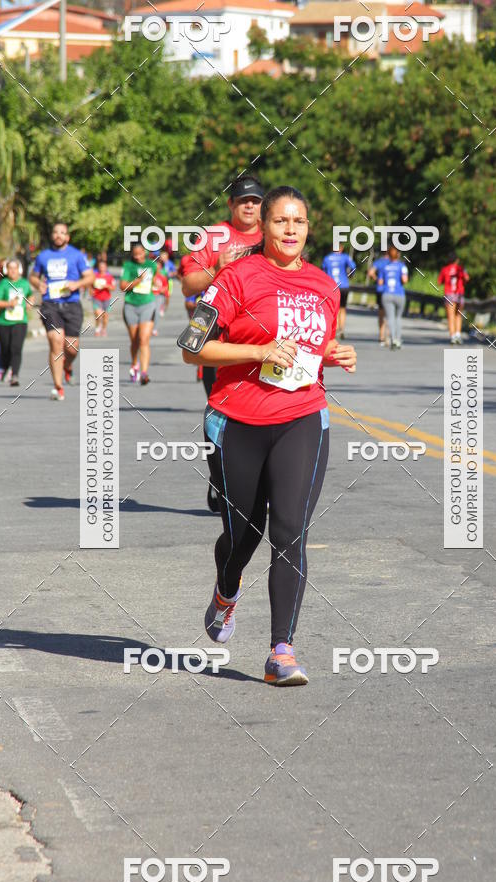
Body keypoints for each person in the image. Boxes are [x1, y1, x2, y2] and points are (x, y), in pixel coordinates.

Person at [181, 185, 357, 686]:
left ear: (309, 227)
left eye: (298, 221)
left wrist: (334, 355)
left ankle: (282, 651)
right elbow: (193, 348)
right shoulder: (236, 277)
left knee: (289, 532)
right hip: (238, 420)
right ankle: (226, 588)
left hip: (303, 416)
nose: (289, 229)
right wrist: (256, 353)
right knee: (244, 532)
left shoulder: (325, 286)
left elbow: (311, 349)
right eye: (280, 221)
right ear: (266, 227)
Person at [180, 173, 265, 510]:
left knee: (262, 409)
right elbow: (188, 284)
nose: (249, 205)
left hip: (258, 333)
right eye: (243, 200)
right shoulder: (213, 236)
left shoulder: (274, 231)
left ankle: (254, 482)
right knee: (222, 409)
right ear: (230, 204)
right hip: (215, 330)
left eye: (255, 200)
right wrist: (219, 268)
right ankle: (219, 477)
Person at [29, 223, 94, 401]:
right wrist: (38, 284)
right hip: (50, 304)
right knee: (56, 341)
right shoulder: (43, 256)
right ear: (52, 235)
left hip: (72, 304)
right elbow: (33, 276)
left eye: (62, 233)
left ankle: (67, 366)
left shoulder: (76, 255)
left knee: (71, 348)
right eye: (56, 232)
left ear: (67, 237)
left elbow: (90, 276)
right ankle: (58, 387)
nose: (58, 235)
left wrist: (77, 284)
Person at [0, 259, 35, 387]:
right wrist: (8, 304)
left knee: (16, 348)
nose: (12, 271)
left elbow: (31, 295)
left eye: (15, 268)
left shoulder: (24, 283)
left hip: (20, 321)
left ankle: (15, 375)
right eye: (10, 268)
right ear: (6, 270)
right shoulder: (3, 284)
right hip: (3, 321)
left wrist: (30, 302)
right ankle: (5, 367)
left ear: (19, 270)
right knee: (5, 348)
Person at [120, 244, 157, 385]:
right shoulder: (129, 266)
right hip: (131, 305)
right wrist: (138, 280)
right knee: (135, 340)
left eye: (140, 253)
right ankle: (134, 364)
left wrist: (158, 285)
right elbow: (123, 287)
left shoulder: (152, 266)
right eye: (135, 254)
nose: (138, 256)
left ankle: (144, 373)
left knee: (143, 339)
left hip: (148, 304)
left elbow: (156, 280)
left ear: (144, 252)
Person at [321, 243, 355, 339]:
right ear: (341, 248)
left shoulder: (327, 258)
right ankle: (341, 329)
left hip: (331, 287)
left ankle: (334, 330)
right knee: (343, 308)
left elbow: (323, 272)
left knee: (333, 309)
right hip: (344, 285)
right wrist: (350, 276)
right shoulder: (345, 257)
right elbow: (353, 267)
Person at [377, 246, 408, 349]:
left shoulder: (384, 267)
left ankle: (392, 339)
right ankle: (398, 340)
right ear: (398, 254)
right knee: (398, 317)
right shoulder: (402, 266)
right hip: (399, 294)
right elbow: (404, 280)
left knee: (389, 317)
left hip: (387, 294)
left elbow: (380, 282)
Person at [438, 254, 470, 344]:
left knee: (450, 316)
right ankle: (458, 335)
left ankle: (452, 337)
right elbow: (467, 278)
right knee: (458, 315)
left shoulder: (445, 269)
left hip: (449, 294)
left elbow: (439, 282)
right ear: (457, 260)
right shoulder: (461, 269)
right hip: (459, 294)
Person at [368, 252, 390, 345]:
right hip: (391, 291)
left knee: (381, 314)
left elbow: (370, 272)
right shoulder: (394, 262)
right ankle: (388, 336)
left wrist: (377, 279)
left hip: (380, 290)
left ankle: (381, 336)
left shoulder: (379, 262)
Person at [91, 258, 116, 337]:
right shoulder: (95, 276)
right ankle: (97, 328)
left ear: (106, 267)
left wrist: (106, 286)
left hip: (107, 299)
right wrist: (91, 291)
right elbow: (90, 285)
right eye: (100, 266)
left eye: (103, 266)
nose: (102, 268)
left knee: (105, 317)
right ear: (98, 267)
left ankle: (104, 329)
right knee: (98, 315)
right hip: (96, 298)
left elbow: (113, 288)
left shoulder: (109, 277)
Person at [152, 257, 170, 333]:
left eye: (158, 267)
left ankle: (154, 329)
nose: (157, 268)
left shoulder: (162, 277)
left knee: (156, 312)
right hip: (150, 296)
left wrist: (162, 290)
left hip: (159, 296)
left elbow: (166, 287)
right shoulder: (149, 277)